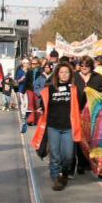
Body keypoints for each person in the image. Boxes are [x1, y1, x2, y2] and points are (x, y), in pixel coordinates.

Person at [31, 63, 83, 191]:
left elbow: (80, 106)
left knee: (68, 156)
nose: (64, 74)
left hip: (69, 127)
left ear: (70, 74)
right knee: (55, 155)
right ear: (57, 74)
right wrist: (41, 109)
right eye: (61, 72)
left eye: (67, 72)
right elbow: (43, 104)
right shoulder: (49, 89)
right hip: (53, 126)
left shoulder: (74, 89)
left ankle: (64, 174)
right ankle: (56, 178)